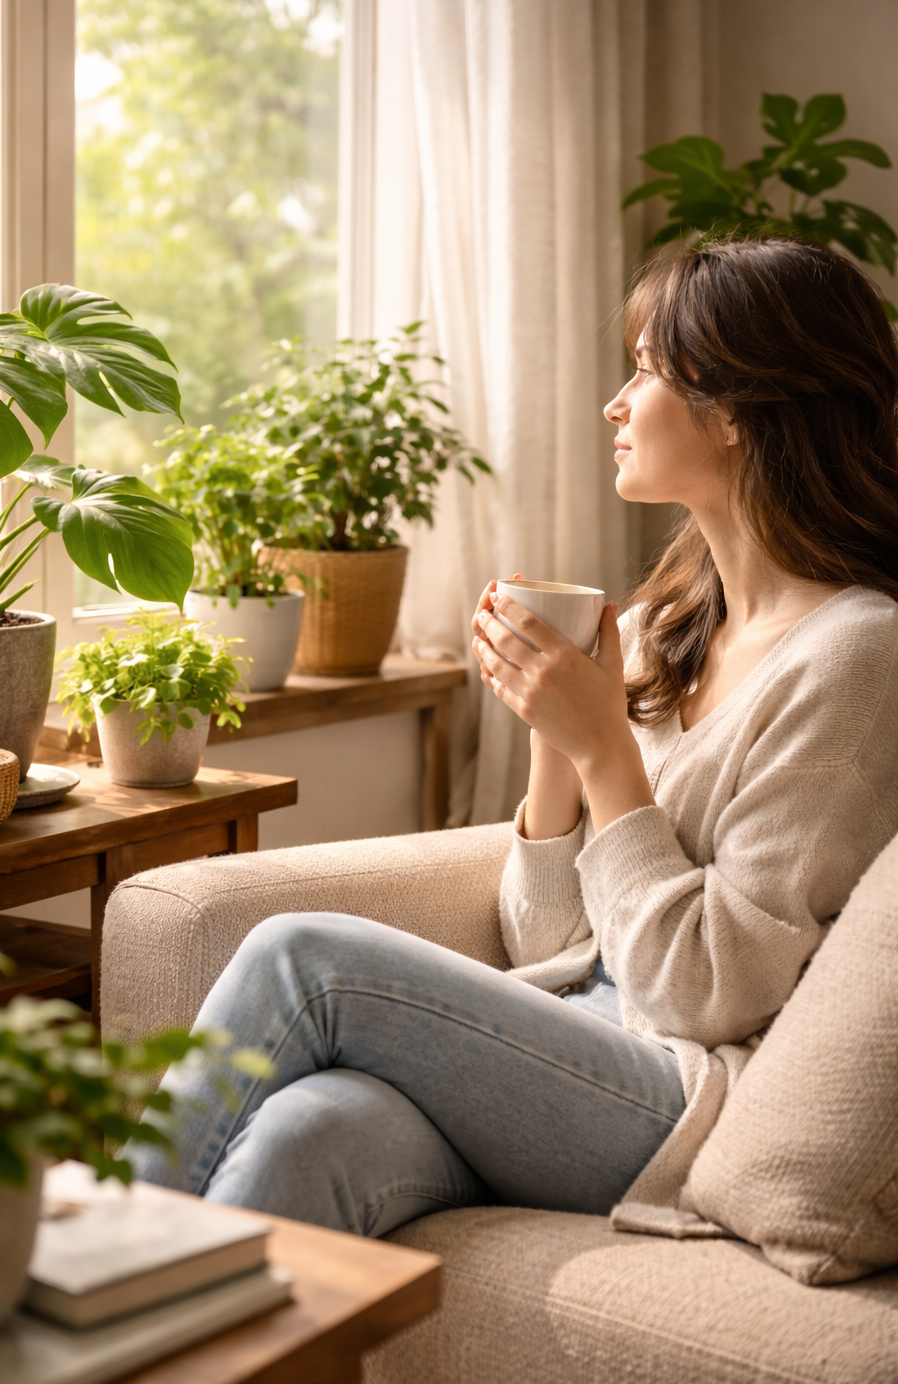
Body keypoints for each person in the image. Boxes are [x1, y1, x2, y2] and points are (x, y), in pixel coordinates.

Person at [128, 239, 898, 1236]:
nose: (617, 405)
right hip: (573, 1042)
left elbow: (700, 995)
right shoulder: (671, 629)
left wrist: (606, 754)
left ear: (740, 413)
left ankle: (103, 1270)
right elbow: (547, 942)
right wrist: (556, 736)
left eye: (649, 371)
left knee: (299, 955)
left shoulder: (855, 657)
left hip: (688, 1094)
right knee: (309, 1132)